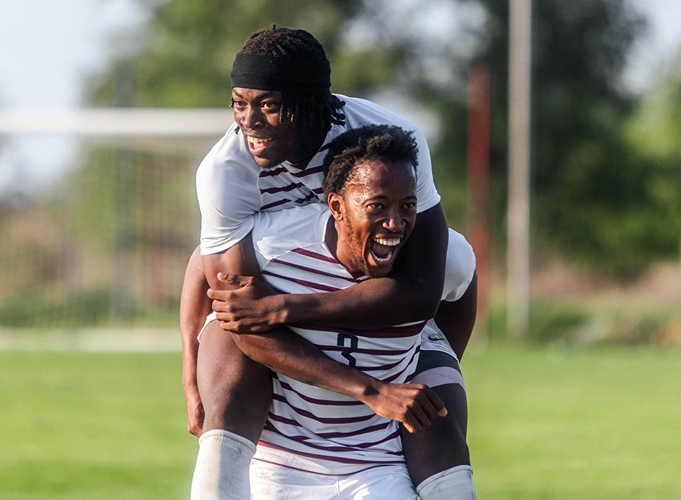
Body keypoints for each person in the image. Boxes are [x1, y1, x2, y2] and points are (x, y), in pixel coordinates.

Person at [181, 25, 478, 498]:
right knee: (229, 335)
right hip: (283, 278)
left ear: (310, 103)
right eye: (239, 103)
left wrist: (290, 309)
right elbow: (229, 299)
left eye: (269, 105)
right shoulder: (226, 172)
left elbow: (424, 289)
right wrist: (189, 368)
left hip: (330, 292)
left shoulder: (387, 140)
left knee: (457, 263)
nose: (249, 121)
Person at [237, 124, 475, 498]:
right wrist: (190, 377)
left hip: (377, 466)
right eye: (377, 206)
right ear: (337, 206)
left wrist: (435, 357)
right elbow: (205, 264)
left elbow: (464, 286)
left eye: (408, 206)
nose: (395, 224)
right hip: (282, 465)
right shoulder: (275, 246)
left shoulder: (438, 257)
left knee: (440, 403)